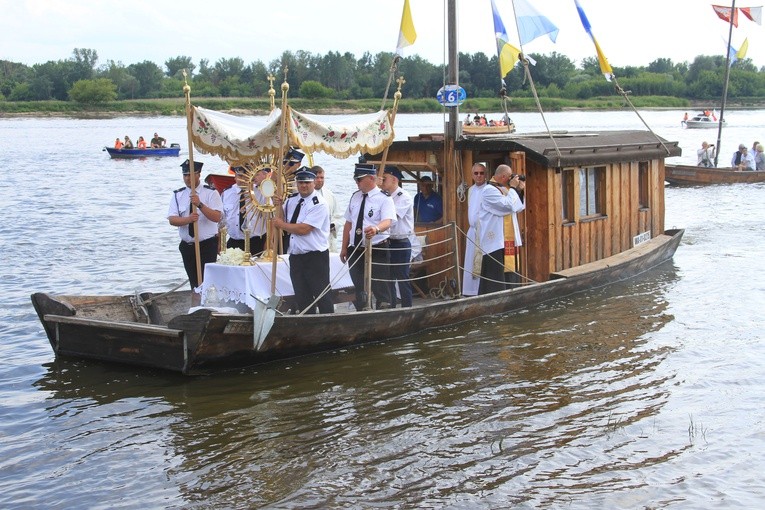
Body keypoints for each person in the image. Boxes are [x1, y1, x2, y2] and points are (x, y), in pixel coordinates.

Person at [272, 168, 334, 314]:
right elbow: (283, 219)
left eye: (307, 182)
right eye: (300, 182)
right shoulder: (292, 200)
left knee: (321, 294)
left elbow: (304, 229)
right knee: (302, 294)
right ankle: (307, 321)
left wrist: (281, 225)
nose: (303, 185)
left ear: (313, 183)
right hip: (296, 255)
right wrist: (279, 205)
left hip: (315, 256)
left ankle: (329, 322)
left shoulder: (319, 203)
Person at [340, 163, 396, 311]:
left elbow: (388, 221)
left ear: (371, 178)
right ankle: (363, 310)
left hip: (376, 247)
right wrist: (344, 247)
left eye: (359, 179)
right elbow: (348, 223)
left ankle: (384, 314)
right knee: (358, 285)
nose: (356, 183)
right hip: (356, 248)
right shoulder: (355, 197)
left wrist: (376, 229)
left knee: (380, 285)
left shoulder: (384, 198)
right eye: (355, 179)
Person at [167, 159, 223, 305]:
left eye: (191, 175)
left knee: (206, 282)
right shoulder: (178, 195)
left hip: (206, 244)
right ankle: (196, 307)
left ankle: (209, 306)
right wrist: (188, 220)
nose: (188, 179)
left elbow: (217, 217)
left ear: (198, 175)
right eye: (185, 175)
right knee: (194, 283)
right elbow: (172, 219)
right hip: (188, 245)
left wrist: (200, 204)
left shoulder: (210, 193)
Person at [477, 164, 525, 295]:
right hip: (495, 240)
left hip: (506, 239)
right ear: (503, 177)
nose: (511, 179)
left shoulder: (506, 188)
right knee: (496, 273)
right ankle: (492, 297)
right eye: (510, 177)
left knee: (509, 272)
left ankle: (511, 294)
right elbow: (507, 206)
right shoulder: (489, 190)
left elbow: (518, 207)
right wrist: (514, 188)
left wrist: (519, 191)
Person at [381, 166, 414, 308]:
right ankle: (392, 306)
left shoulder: (403, 196)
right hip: (388, 242)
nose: (381, 181)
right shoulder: (384, 196)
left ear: (394, 179)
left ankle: (407, 307)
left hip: (400, 242)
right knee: (388, 278)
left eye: (384, 178)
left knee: (402, 277)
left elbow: (392, 217)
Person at [221, 165, 270, 255]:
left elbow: (272, 215)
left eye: (246, 176)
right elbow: (221, 220)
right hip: (234, 242)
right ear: (235, 177)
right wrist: (220, 243)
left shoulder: (262, 191)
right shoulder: (227, 193)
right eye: (240, 176)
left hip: (257, 242)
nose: (243, 179)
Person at [462, 163, 488, 296]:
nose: (479, 176)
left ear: (485, 175)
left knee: (480, 261)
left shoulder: (489, 190)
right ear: (472, 175)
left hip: (483, 231)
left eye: (481, 173)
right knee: (469, 261)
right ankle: (469, 291)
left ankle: (479, 290)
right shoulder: (471, 190)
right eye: (476, 173)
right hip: (472, 231)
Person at [313, 166, 340, 253]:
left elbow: (338, 216)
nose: (320, 180)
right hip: (311, 237)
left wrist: (333, 225)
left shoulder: (330, 195)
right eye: (317, 177)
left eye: (322, 177)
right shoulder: (304, 195)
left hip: (327, 237)